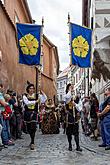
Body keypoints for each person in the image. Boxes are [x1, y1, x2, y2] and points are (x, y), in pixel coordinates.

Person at [64, 84, 82, 151]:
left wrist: (76, 105)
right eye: (70, 87)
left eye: (72, 87)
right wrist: (69, 91)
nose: (72, 88)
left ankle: (78, 146)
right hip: (69, 117)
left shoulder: (77, 97)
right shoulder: (66, 96)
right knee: (69, 133)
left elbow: (80, 107)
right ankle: (70, 145)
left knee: (76, 132)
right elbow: (67, 99)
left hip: (75, 117)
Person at [23, 83, 38, 150]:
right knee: (29, 129)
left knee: (33, 127)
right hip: (27, 113)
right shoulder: (25, 96)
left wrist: (42, 93)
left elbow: (44, 99)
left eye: (33, 88)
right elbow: (27, 103)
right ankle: (32, 139)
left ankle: (32, 142)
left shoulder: (36, 95)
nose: (31, 90)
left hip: (34, 113)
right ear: (28, 89)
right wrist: (35, 101)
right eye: (30, 88)